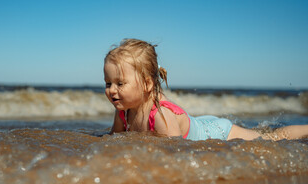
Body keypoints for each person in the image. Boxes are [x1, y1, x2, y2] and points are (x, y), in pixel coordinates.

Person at [104, 38, 308, 141]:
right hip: (198, 122)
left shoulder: (160, 114)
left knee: (270, 139)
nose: (112, 90)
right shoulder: (122, 110)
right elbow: (114, 139)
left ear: (148, 84)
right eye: (108, 83)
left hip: (217, 132)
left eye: (120, 84)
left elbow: (177, 152)